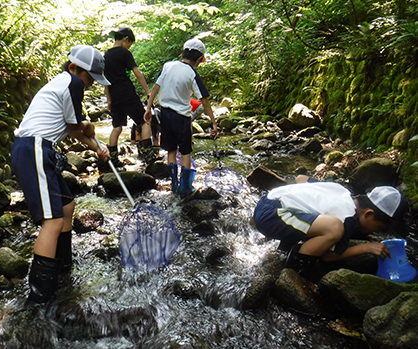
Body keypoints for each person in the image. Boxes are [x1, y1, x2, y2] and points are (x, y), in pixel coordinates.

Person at [11, 45, 110, 303]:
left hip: (39, 150)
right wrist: (91, 128)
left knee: (67, 205)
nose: (89, 85)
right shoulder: (72, 83)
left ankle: (63, 267)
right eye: (90, 78)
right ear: (74, 68)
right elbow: (80, 127)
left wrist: (99, 149)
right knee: (52, 221)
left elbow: (75, 131)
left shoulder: (64, 84)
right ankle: (40, 295)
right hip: (34, 148)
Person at [253, 175, 409, 279]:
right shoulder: (346, 219)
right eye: (380, 228)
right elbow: (329, 256)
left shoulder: (341, 190)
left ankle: (285, 249)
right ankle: (292, 272)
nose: (378, 232)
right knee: (334, 228)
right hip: (272, 216)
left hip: (267, 200)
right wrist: (367, 247)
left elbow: (301, 178)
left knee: (318, 221)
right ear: (368, 214)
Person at [144, 38, 218, 194]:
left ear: (183, 53)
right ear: (199, 59)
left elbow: (155, 88)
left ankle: (174, 183)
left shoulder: (167, 66)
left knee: (171, 150)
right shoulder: (192, 73)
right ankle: (185, 187)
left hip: (165, 114)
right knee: (185, 151)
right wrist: (213, 122)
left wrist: (148, 108)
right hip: (182, 117)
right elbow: (204, 101)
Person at [104, 27, 158, 166]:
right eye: (130, 44)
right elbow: (137, 74)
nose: (129, 47)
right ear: (126, 39)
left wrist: (109, 100)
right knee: (144, 121)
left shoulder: (106, 55)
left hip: (114, 95)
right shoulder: (124, 53)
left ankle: (113, 159)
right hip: (127, 92)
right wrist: (148, 92)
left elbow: (105, 81)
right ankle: (148, 156)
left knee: (117, 127)